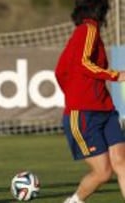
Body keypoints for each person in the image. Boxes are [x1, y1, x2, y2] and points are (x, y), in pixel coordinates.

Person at [55, 0, 125, 202]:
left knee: (121, 162)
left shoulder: (89, 32)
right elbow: (83, 62)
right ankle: (74, 201)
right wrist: (114, 75)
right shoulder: (88, 30)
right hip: (85, 114)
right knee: (103, 173)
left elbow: (60, 71)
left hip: (105, 109)